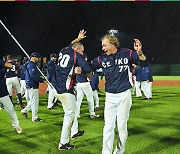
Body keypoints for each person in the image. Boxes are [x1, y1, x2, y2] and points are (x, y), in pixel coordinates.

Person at [91, 34, 147, 154]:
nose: (102, 48)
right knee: (108, 127)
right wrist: (80, 71)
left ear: (112, 43)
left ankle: (119, 151)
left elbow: (144, 63)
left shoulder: (128, 53)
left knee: (121, 126)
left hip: (124, 95)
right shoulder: (101, 58)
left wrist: (140, 52)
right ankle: (106, 152)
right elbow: (89, 69)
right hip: (110, 96)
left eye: (104, 45)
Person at [52, 30, 92, 150]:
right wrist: (86, 73)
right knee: (69, 115)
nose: (82, 53)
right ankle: (63, 143)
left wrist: (78, 38)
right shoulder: (76, 55)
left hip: (56, 87)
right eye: (81, 50)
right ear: (77, 50)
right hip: (65, 90)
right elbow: (89, 71)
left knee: (72, 111)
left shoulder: (63, 50)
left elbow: (71, 44)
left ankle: (74, 132)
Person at [0, 59, 22, 134]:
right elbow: (9, 66)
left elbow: (9, 66)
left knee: (10, 108)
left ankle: (16, 126)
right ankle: (16, 125)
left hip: (1, 89)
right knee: (10, 109)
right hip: (2, 87)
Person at [21, 52, 44, 121]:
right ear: (34, 57)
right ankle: (34, 117)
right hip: (32, 85)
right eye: (38, 58)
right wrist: (41, 80)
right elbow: (33, 75)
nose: (38, 59)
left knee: (32, 101)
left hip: (29, 84)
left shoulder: (29, 64)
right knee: (34, 102)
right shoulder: (31, 65)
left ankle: (24, 111)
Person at [75, 54, 99, 118]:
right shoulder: (85, 65)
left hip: (78, 84)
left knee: (78, 101)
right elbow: (90, 74)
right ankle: (92, 113)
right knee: (90, 99)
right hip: (85, 84)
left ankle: (77, 114)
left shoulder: (76, 65)